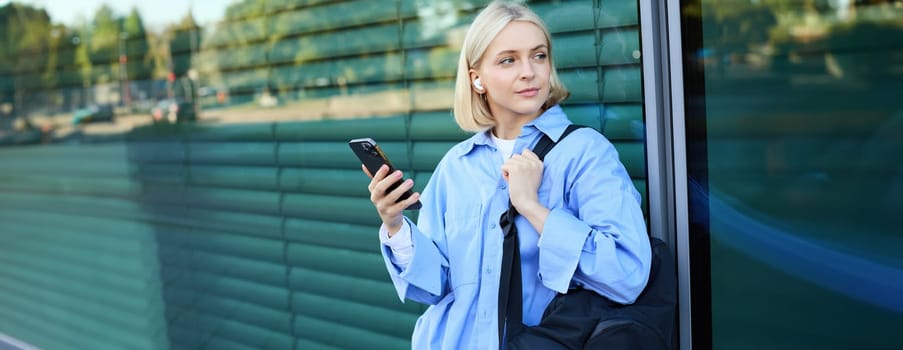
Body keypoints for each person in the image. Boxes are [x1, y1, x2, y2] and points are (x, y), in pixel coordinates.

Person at [362, 1, 651, 348]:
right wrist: (394, 225)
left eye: (539, 55)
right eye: (508, 60)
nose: (529, 71)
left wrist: (533, 208)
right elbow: (433, 287)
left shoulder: (586, 153)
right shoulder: (456, 165)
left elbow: (627, 275)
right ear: (477, 79)